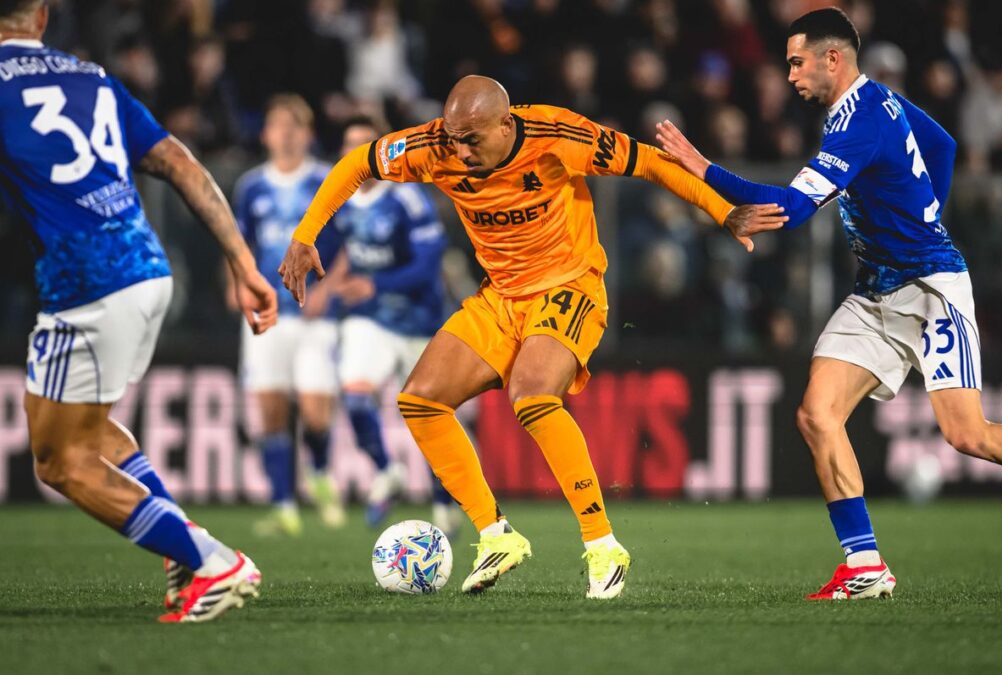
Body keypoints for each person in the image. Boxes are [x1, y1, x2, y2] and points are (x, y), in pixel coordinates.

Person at [280, 75, 786, 599]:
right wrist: (305, 234)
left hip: (570, 285)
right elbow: (360, 160)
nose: (460, 150)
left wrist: (724, 212)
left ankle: (602, 546)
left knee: (532, 394)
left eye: (471, 138)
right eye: (453, 137)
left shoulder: (557, 135)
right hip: (500, 297)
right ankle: (496, 535)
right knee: (420, 400)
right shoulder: (434, 145)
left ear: (505, 123)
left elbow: (651, 162)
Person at [655, 7, 1002, 601]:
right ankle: (865, 566)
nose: (790, 75)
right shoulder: (879, 101)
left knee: (968, 435)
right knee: (816, 414)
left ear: (833, 58)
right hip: (877, 288)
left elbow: (794, 208)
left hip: (930, 288)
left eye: (797, 62)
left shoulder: (858, 121)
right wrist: (922, 208)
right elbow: (944, 145)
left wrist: (702, 168)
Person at [0, 0, 275, 622]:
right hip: (146, 269)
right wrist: (243, 262)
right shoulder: (92, 77)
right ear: (41, 17)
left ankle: (210, 559)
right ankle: (183, 547)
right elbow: (178, 161)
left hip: (86, 283)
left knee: (60, 460)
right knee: (83, 429)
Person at [305, 115, 461, 535]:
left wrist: (375, 284)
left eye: (364, 146)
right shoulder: (340, 200)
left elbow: (429, 265)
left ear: (380, 154)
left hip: (420, 321)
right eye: (348, 146)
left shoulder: (407, 199)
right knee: (355, 397)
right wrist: (326, 287)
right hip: (370, 321)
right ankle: (386, 470)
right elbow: (339, 253)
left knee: (431, 418)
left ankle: (445, 505)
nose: (355, 155)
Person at [231, 94, 344, 537]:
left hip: (315, 316)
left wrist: (329, 289)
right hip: (268, 312)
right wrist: (237, 281)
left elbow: (348, 243)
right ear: (266, 134)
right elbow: (239, 241)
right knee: (271, 411)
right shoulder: (251, 186)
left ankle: (318, 472)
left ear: (308, 133)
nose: (286, 133)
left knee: (317, 414)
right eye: (278, 125)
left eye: (294, 125)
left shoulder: (325, 180)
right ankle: (283, 507)